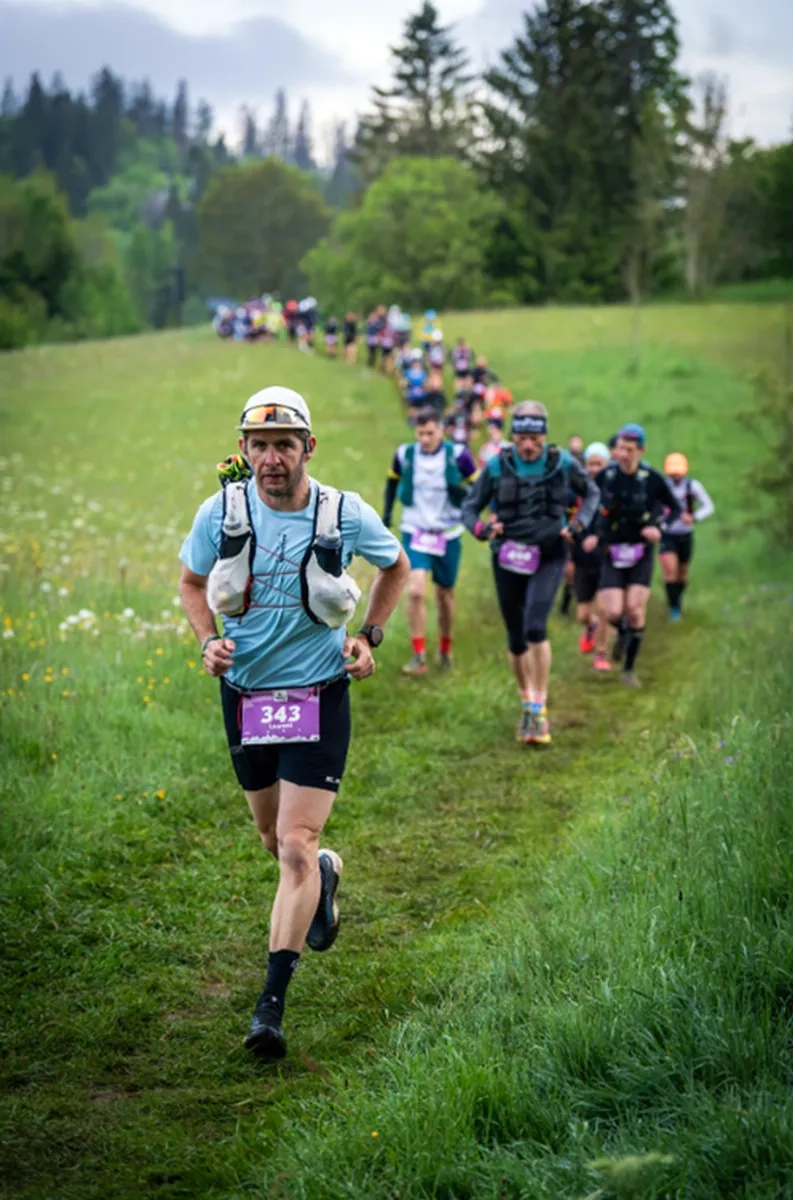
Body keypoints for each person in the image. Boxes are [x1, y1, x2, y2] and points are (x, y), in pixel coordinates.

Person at [179, 387, 410, 1060]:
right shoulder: (221, 512)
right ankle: (322, 877)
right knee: (271, 839)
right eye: (260, 446)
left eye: (284, 445)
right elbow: (192, 585)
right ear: (243, 449)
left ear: (309, 447)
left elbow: (395, 567)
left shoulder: (344, 512)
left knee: (296, 843)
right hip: (246, 695)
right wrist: (207, 641)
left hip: (318, 692)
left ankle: (270, 1007)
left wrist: (367, 636)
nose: (272, 458)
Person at [462, 401, 599, 744]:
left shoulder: (562, 463)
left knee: (535, 626)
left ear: (544, 436)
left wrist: (579, 524)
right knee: (515, 636)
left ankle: (540, 705)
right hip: (508, 555)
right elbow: (469, 507)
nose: (527, 445)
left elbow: (592, 492)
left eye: (534, 439)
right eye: (522, 438)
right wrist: (481, 529)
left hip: (550, 552)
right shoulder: (497, 466)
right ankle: (526, 700)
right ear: (513, 436)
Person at [582, 423, 681, 688]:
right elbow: (589, 505)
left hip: (640, 551)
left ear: (641, 450)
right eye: (620, 449)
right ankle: (624, 633)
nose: (623, 454)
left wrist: (658, 528)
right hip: (612, 549)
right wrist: (590, 534)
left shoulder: (652, 478)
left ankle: (628, 669)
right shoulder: (606, 476)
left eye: (629, 450)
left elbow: (674, 508)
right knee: (613, 611)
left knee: (636, 610)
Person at [383, 407, 478, 675]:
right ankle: (418, 654)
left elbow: (480, 488)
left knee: (445, 594)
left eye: (430, 433)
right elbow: (391, 482)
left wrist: (465, 495)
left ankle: (445, 648)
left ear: (442, 430)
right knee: (415, 590)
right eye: (420, 433)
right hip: (415, 530)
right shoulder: (405, 454)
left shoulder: (458, 455)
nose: (425, 438)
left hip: (448, 533)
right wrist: (387, 514)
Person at [659, 453, 714, 621]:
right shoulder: (662, 486)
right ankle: (674, 608)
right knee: (669, 571)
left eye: (678, 472)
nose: (675, 475)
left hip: (685, 534)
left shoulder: (693, 486)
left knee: (682, 574)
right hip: (667, 534)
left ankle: (677, 597)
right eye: (672, 472)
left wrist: (694, 517)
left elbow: (708, 506)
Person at [572, 442, 611, 667]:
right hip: (582, 560)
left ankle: (601, 654)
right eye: (591, 464)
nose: (595, 468)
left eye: (599, 464)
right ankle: (591, 627)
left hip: (606, 559)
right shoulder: (578, 489)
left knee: (604, 609)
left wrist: (601, 537)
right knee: (583, 615)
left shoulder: (612, 489)